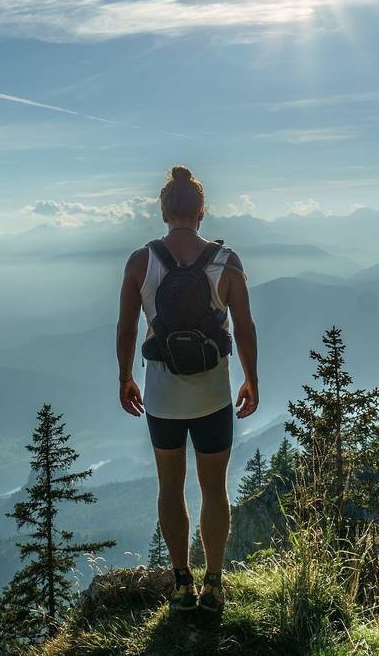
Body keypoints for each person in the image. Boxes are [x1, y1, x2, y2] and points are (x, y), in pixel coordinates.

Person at [116, 165, 259, 617]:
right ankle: (214, 583)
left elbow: (126, 325)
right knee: (214, 489)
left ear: (163, 211)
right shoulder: (227, 261)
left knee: (170, 488)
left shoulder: (142, 261)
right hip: (213, 396)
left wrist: (125, 377)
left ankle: (181, 583)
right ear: (202, 210)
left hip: (162, 397)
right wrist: (251, 379)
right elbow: (245, 326)